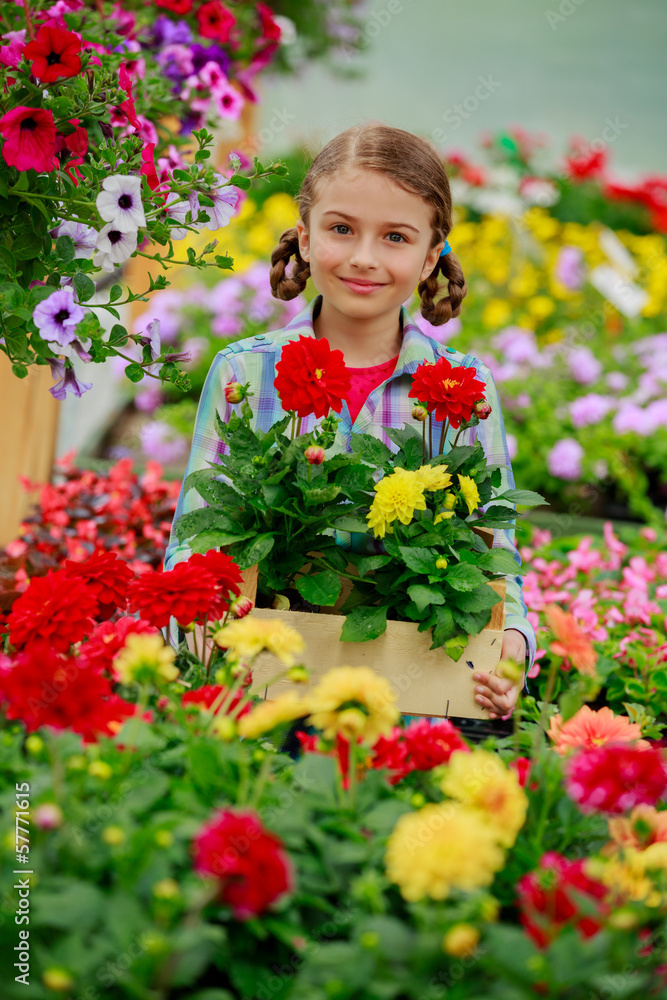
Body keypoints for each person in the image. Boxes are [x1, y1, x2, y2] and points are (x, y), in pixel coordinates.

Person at [164, 122, 536, 722]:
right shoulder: (247, 371)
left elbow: (496, 556)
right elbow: (195, 536)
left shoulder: (462, 387)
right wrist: (198, 628)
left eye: (395, 236)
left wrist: (511, 648)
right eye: (341, 229)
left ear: (430, 257)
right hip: (260, 681)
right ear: (305, 238)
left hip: (410, 694)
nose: (364, 257)